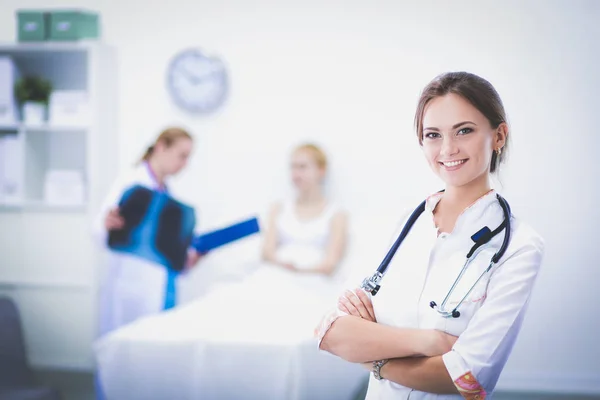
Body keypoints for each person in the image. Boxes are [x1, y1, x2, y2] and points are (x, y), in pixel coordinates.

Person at [315, 72, 545, 399]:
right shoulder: (399, 225)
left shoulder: (520, 247)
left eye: (464, 130)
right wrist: (429, 343)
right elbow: (329, 332)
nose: (448, 149)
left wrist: (372, 354)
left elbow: (468, 380)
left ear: (499, 135)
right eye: (433, 134)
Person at [93, 143, 365, 400]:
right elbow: (267, 253)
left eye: (303, 166)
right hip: (274, 275)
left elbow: (331, 262)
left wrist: (301, 268)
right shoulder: (278, 209)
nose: (296, 173)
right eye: (293, 167)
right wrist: (283, 264)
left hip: (313, 282)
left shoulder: (336, 213)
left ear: (321, 170)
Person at [93, 127, 203, 338]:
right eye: (182, 156)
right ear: (161, 147)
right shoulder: (131, 183)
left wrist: (189, 258)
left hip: (162, 289)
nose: (185, 164)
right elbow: (99, 231)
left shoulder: (169, 195)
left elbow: (168, 252)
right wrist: (107, 224)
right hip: (131, 287)